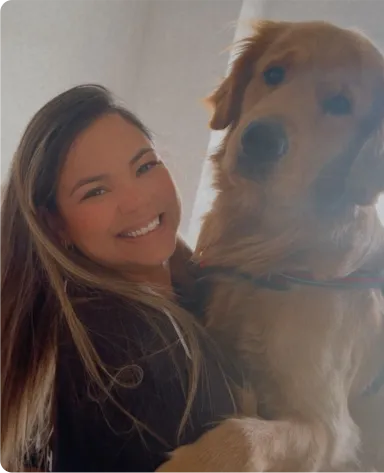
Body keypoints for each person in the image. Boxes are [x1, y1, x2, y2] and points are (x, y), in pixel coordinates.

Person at [0, 85, 240, 473]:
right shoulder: (121, 338)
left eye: (144, 167)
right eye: (96, 191)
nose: (137, 200)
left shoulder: (200, 291)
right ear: (54, 224)